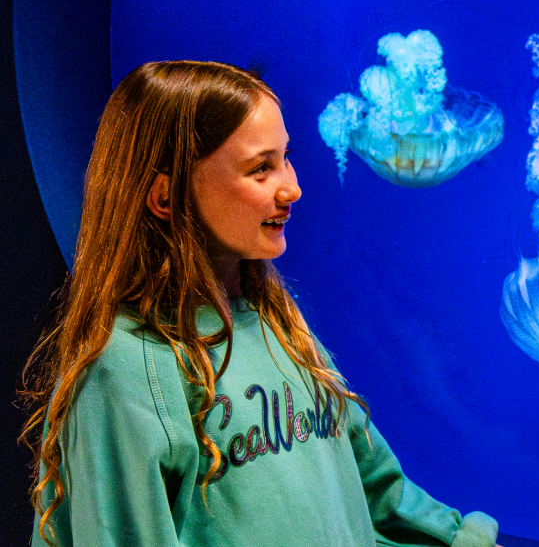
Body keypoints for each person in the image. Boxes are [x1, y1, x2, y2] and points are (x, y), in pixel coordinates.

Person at [19, 61, 503, 547]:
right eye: (261, 168)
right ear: (165, 195)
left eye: (286, 158)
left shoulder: (274, 317)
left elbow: (375, 494)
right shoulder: (126, 367)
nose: (292, 188)